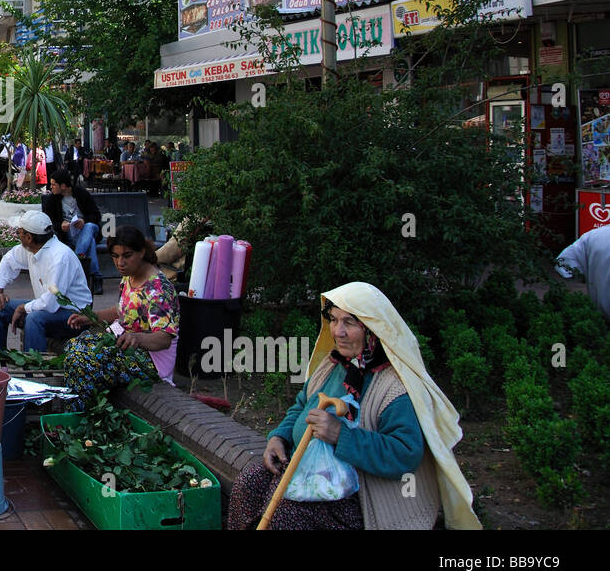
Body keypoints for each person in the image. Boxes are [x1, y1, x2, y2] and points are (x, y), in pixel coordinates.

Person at [227, 282, 482, 530]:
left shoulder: (393, 388)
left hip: (354, 495)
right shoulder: (332, 365)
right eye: (335, 320)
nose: (338, 331)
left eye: (349, 322)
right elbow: (302, 405)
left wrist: (341, 435)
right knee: (247, 485)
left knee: (287, 517)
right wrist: (279, 437)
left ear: (372, 330)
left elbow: (405, 454)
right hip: (306, 470)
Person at [62, 226, 179, 399]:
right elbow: (123, 310)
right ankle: (86, 409)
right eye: (115, 256)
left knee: (81, 361)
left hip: (151, 361)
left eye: (127, 255)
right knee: (73, 346)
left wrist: (136, 338)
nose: (120, 263)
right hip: (124, 345)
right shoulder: (129, 275)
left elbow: (164, 339)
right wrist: (90, 317)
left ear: (142, 252)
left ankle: (81, 413)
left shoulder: (158, 289)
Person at [0, 210, 93, 353]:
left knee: (34, 319)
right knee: (0, 307)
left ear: (29, 237)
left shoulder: (59, 257)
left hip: (74, 313)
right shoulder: (32, 248)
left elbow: (52, 302)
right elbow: (8, 260)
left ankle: (33, 369)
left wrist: (24, 307)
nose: (18, 236)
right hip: (50, 306)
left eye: (19, 233)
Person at [42, 169, 105, 295]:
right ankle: (96, 278)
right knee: (90, 243)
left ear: (63, 186)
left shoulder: (81, 194)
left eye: (54, 184)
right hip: (70, 235)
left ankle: (75, 261)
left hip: (88, 229)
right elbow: (48, 222)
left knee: (89, 227)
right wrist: (60, 226)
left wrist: (84, 220)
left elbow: (96, 216)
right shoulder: (52, 200)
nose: (51, 187)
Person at [555, 225, 610, 320]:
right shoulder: (593, 236)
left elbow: (562, 265)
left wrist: (591, 274)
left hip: (600, 319)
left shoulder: (593, 236)